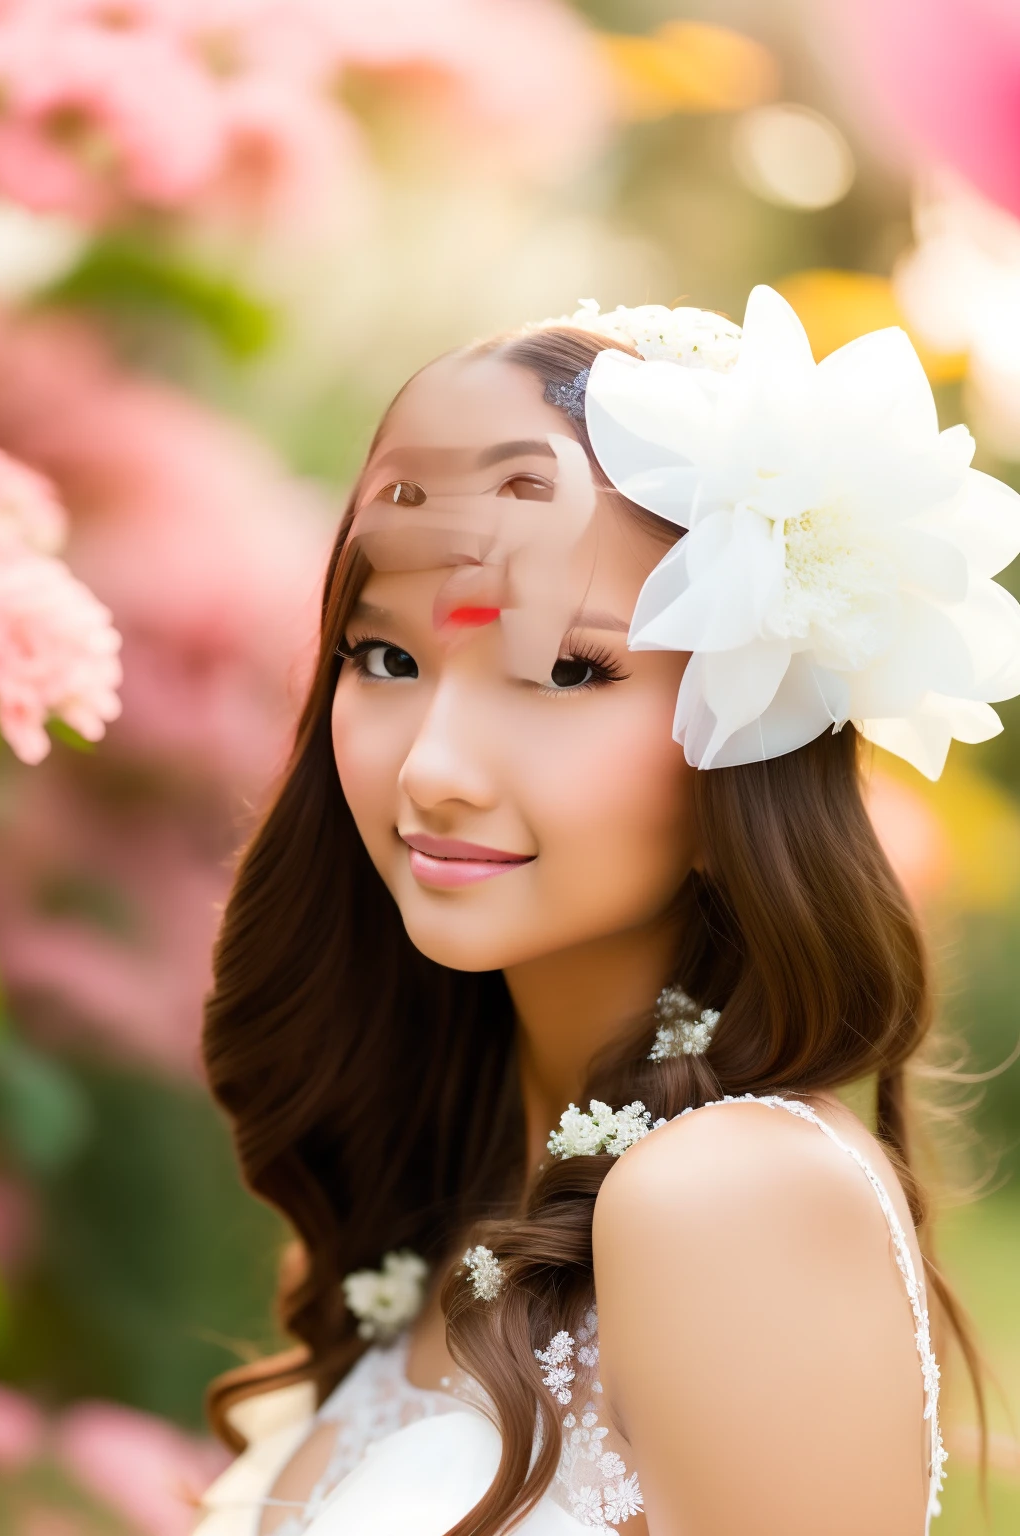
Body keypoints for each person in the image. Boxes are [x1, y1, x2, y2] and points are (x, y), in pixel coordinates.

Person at [195, 287, 1020, 1536]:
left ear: (750, 729)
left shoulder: (727, 1199)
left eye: (569, 669)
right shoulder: (460, 1197)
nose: (435, 766)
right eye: (386, 658)